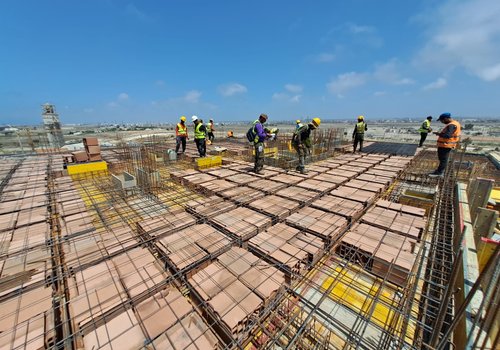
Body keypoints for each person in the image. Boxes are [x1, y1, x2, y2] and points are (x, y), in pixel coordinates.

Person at [429, 113, 461, 177]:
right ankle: (439, 171)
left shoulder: (452, 125)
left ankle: (440, 172)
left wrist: (439, 134)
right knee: (442, 159)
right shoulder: (454, 123)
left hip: (446, 145)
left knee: (443, 160)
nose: (442, 122)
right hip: (445, 145)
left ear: (446, 118)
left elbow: (447, 135)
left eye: (442, 120)